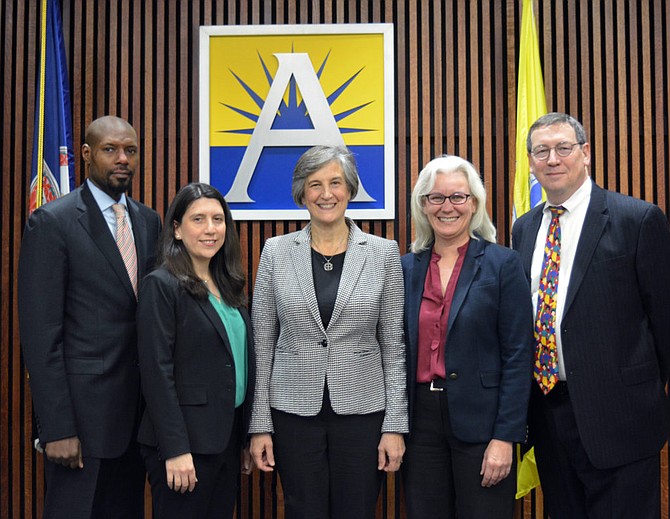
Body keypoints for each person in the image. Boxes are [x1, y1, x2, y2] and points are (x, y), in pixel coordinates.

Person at [512, 112, 670, 518]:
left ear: (585, 153)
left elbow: (664, 322)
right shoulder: (524, 228)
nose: (552, 159)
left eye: (563, 148)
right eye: (541, 151)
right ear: (530, 162)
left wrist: (640, 395)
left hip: (622, 418)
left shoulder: (637, 219)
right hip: (549, 414)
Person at [249, 145, 408, 519]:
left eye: (335, 182)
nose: (326, 194)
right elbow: (261, 342)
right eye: (314, 184)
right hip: (292, 411)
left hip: (364, 412)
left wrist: (395, 426)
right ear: (301, 193)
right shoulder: (275, 251)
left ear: (350, 189)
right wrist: (259, 425)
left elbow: (394, 346)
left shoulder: (384, 253)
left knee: (357, 510)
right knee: (303, 510)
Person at [18, 115, 162, 518]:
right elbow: (40, 336)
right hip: (80, 425)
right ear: (85, 154)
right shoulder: (52, 222)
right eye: (110, 150)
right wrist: (57, 427)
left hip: (136, 424)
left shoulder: (148, 221)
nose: (122, 159)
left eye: (130, 151)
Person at [401, 155, 533, 518]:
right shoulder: (404, 268)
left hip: (484, 424)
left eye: (458, 197)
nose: (448, 207)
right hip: (420, 425)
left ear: (474, 203)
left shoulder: (502, 264)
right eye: (437, 198)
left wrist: (506, 438)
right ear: (423, 205)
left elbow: (519, 357)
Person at [136, 183, 255, 518]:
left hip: (224, 439)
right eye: (198, 219)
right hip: (183, 445)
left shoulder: (230, 286)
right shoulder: (161, 285)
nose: (210, 229)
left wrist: (242, 439)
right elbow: (156, 372)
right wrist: (175, 450)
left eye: (218, 219)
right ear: (177, 229)